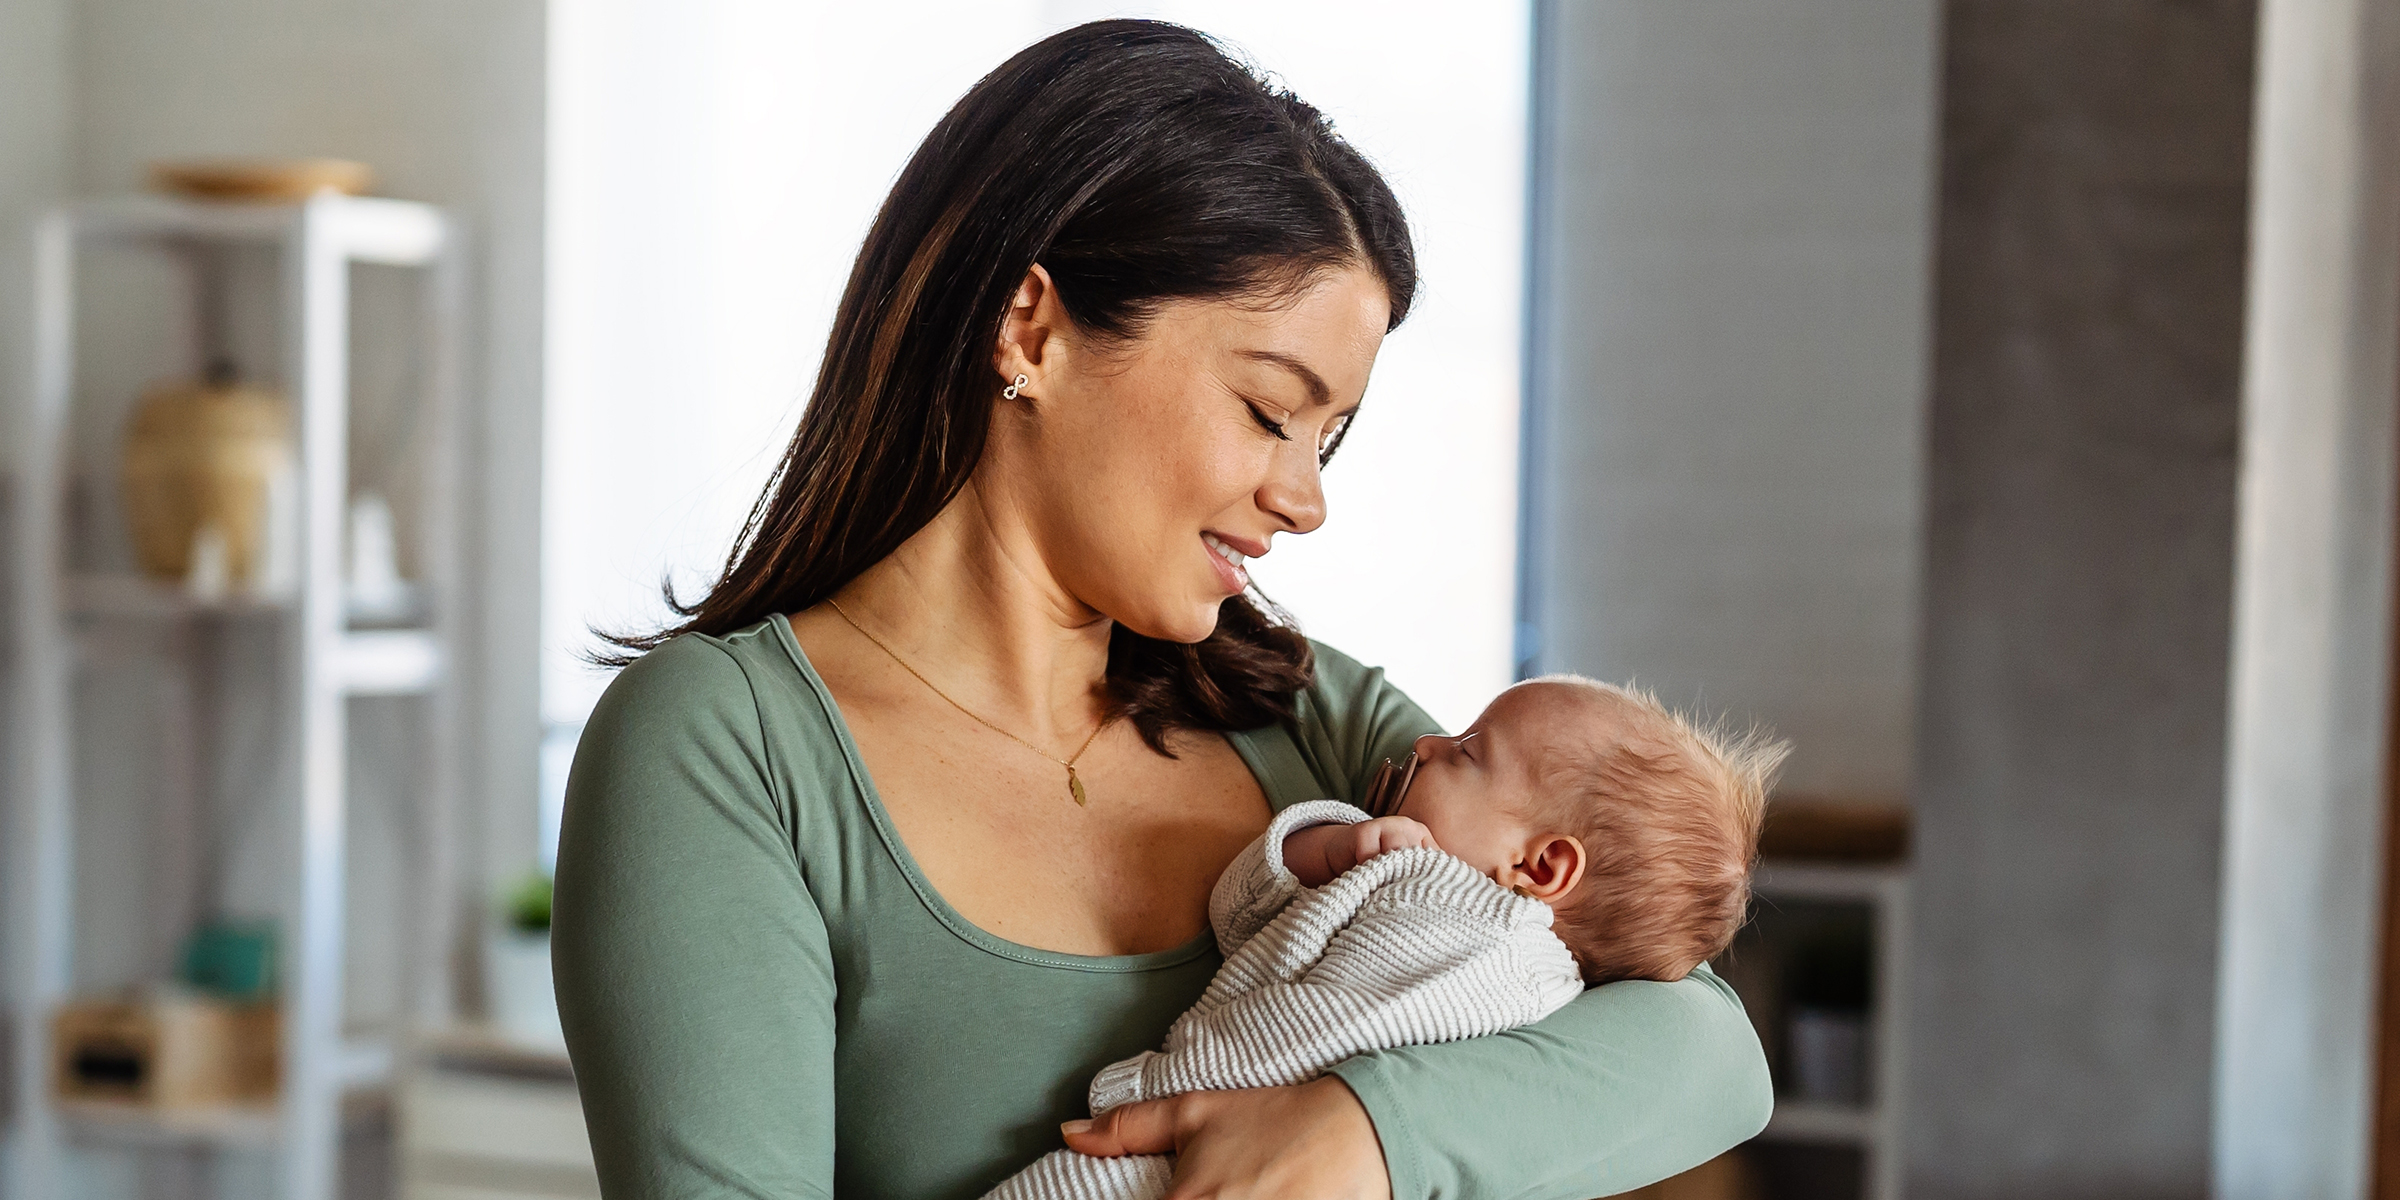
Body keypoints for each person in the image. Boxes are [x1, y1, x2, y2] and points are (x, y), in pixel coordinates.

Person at [552, 19, 1772, 1200]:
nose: (1304, 501)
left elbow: (1709, 1050)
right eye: (1268, 410)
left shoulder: (1309, 719)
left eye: (1329, 439)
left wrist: (1365, 1137)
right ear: (1034, 329)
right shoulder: (731, 750)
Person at [983, 677, 1787, 1200]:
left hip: (1175, 1155)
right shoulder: (1549, 984)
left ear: (1541, 865)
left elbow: (1261, 954)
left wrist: (1326, 854)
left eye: (1467, 751)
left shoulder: (1449, 907)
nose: (1427, 746)